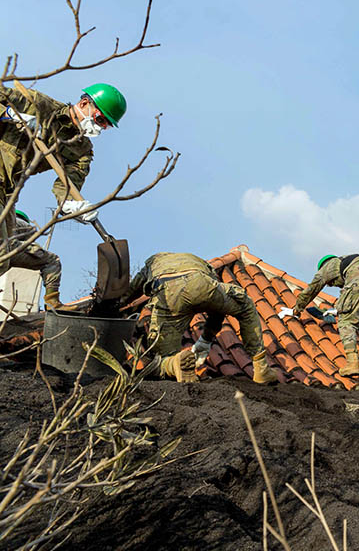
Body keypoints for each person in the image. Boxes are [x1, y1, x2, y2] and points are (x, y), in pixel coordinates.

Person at [0, 83, 126, 275]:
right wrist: (8, 114)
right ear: (84, 103)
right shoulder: (37, 104)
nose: (100, 128)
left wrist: (69, 204)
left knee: (6, 258)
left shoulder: (81, 149)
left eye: (106, 125)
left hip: (7, 194)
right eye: (99, 119)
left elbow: (69, 183)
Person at [119, 252, 278, 384]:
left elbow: (132, 291)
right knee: (245, 305)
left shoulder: (152, 262)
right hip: (201, 283)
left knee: (161, 358)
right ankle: (261, 369)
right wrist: (206, 340)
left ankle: (174, 364)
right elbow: (217, 311)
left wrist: (115, 304)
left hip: (168, 293)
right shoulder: (197, 261)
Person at [280, 253, 359, 376]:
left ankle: (352, 363)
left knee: (346, 320)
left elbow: (313, 287)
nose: (333, 285)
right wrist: (338, 308)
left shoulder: (329, 265)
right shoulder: (348, 262)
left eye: (332, 283)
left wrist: (296, 309)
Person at [8, 209, 68, 310]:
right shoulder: (20, 223)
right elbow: (31, 233)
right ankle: (52, 302)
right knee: (52, 260)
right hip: (6, 246)